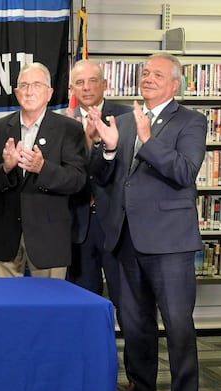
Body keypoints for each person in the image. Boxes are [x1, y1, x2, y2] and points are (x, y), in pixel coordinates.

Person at [88, 52, 205, 391]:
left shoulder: (192, 121)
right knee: (135, 324)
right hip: (125, 238)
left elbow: (184, 172)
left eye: (157, 74)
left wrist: (147, 139)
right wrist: (106, 149)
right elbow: (104, 179)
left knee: (177, 325)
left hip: (169, 243)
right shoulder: (121, 121)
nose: (148, 78)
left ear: (175, 84)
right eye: (145, 73)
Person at [0, 62, 86, 278]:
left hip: (49, 239)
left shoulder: (69, 129)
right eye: (24, 85)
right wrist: (6, 168)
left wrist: (43, 168)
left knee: (49, 309)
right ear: (16, 92)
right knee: (3, 309)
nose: (29, 91)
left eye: (36, 85)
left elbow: (77, 180)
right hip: (5, 238)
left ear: (49, 93)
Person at [66, 59, 131, 295]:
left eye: (93, 81)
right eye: (79, 82)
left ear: (104, 84)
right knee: (82, 299)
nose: (86, 87)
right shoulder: (62, 122)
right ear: (71, 89)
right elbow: (66, 172)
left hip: (117, 222)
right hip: (79, 223)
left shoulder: (127, 117)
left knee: (128, 302)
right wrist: (86, 138)